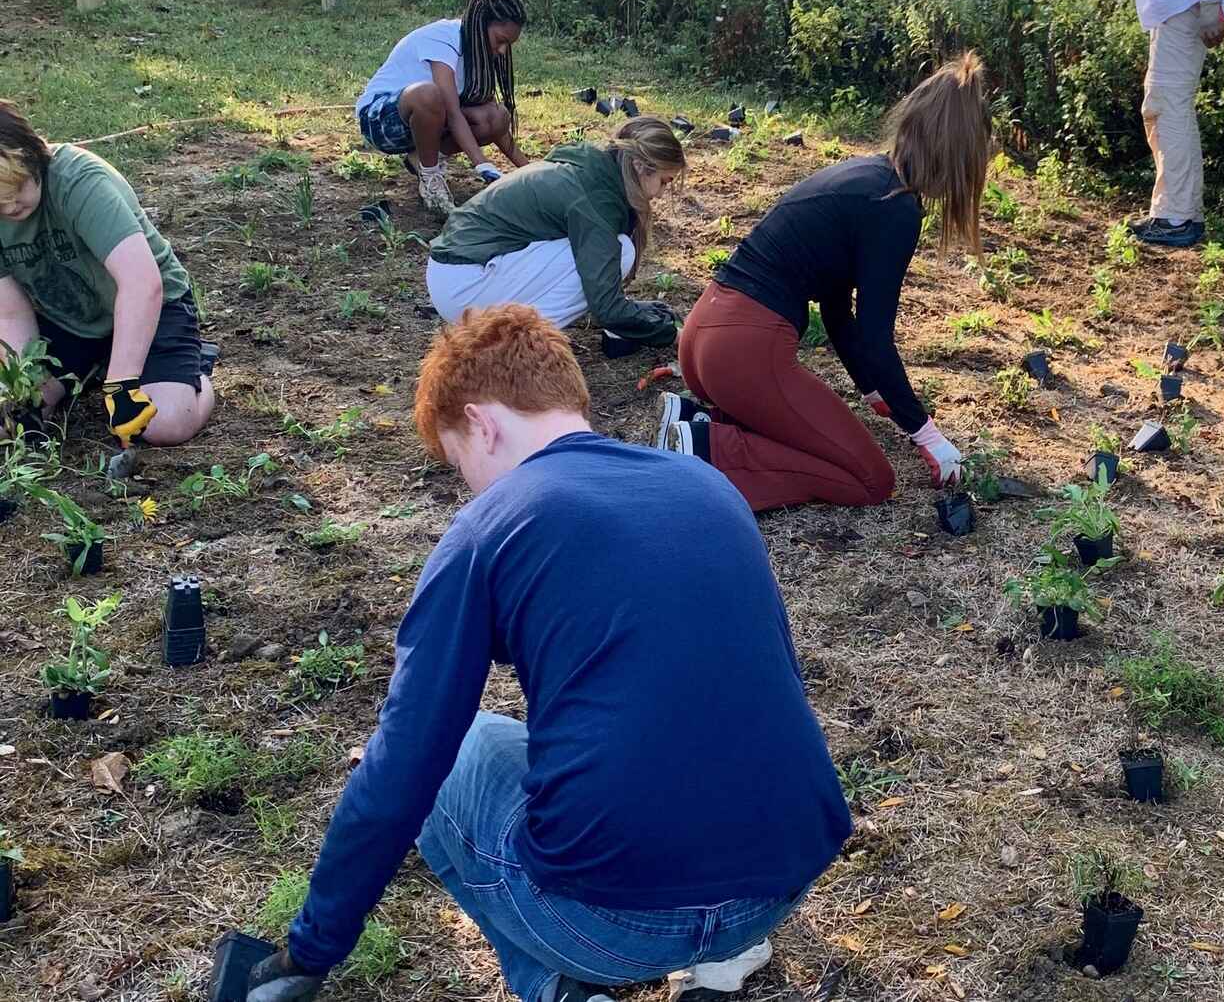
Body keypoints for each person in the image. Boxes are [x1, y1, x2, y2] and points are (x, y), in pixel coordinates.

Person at [243, 305, 851, 1002]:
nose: (466, 485)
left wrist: (306, 954)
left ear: (481, 422)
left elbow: (402, 767)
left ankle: (557, 986)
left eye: (457, 463)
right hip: (777, 886)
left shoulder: (491, 527)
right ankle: (717, 958)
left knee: (461, 746)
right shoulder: (708, 487)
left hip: (609, 924)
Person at [662, 53, 988, 511]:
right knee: (870, 479)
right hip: (742, 351)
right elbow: (876, 338)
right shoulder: (895, 208)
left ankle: (701, 420)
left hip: (703, 336)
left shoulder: (867, 177)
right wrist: (925, 433)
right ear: (958, 157)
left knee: (820, 437)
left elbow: (837, 309)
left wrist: (872, 390)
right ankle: (709, 450)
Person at [0, 100, 214, 446]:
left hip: (152, 307)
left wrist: (122, 387)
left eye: (18, 188)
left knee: (164, 425)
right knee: (13, 420)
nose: (10, 207)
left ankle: (194, 373)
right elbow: (10, 312)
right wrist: (27, 383)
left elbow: (141, 284)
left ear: (32, 154)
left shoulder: (79, 180)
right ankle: (101, 363)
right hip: (72, 320)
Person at [424, 117, 681, 346]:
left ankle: (515, 334)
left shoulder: (590, 165)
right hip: (466, 283)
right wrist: (673, 335)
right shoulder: (597, 199)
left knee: (607, 251)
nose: (660, 194)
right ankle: (520, 341)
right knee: (621, 249)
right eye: (663, 182)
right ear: (638, 165)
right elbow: (607, 309)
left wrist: (633, 311)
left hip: (453, 273)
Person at [356, 0, 532, 215]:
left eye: (508, 45)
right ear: (481, 25)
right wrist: (482, 164)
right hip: (382, 121)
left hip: (426, 122)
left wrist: (532, 171)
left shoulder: (480, 52)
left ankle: (420, 158)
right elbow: (453, 112)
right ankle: (430, 178)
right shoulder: (444, 39)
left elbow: (496, 128)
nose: (501, 50)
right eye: (500, 40)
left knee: (496, 116)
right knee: (429, 95)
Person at [1125, 0, 1224, 249]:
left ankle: (1177, 218)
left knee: (1168, 106)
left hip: (1186, 4)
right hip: (1173, 5)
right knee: (1163, 105)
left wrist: (1212, 1)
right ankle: (1180, 213)